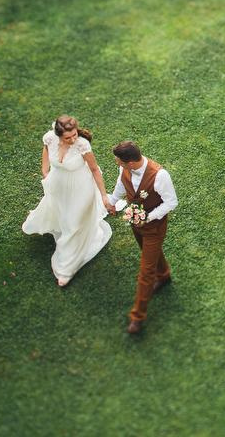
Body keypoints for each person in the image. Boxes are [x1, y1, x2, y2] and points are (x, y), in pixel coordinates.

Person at [22, 115, 114, 286]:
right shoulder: (50, 138)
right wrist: (45, 171)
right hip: (59, 185)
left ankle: (67, 268)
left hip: (81, 186)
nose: (72, 139)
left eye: (74, 135)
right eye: (67, 137)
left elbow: (94, 170)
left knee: (74, 223)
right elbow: (46, 151)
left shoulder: (82, 145)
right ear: (58, 135)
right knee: (62, 214)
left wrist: (103, 195)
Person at [107, 140, 178, 334]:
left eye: (119, 161)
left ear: (130, 163)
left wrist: (149, 217)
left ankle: (137, 316)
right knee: (151, 255)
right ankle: (164, 275)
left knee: (146, 272)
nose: (117, 164)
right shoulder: (125, 170)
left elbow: (171, 202)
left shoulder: (160, 175)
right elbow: (121, 185)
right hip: (135, 223)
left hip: (154, 227)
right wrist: (112, 201)